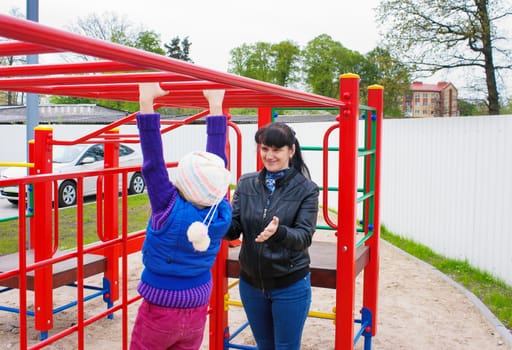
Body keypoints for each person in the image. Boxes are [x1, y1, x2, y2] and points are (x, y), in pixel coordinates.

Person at [130, 83, 232, 350]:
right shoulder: (219, 207)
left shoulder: (167, 205)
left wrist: (146, 101)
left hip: (160, 308)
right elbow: (217, 162)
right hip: (197, 306)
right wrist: (216, 106)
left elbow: (153, 161)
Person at [225, 122, 319, 350]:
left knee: (286, 346)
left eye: (276, 150)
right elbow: (234, 229)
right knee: (264, 345)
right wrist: (213, 217)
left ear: (291, 151)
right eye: (265, 149)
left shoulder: (307, 189)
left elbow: (304, 237)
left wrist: (279, 232)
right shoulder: (246, 184)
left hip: (289, 283)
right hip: (250, 283)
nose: (269, 156)